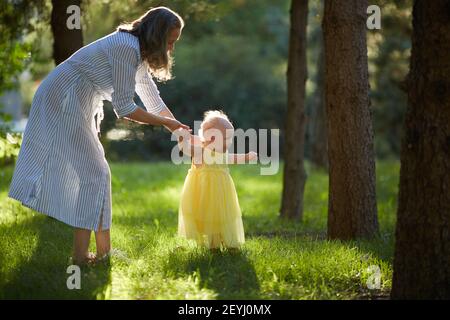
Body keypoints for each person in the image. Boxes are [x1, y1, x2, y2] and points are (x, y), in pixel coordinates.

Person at [8, 7, 189, 265]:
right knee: (94, 173)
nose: (170, 49)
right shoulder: (126, 47)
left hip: (77, 97)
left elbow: (150, 97)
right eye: (169, 42)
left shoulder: (135, 51)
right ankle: (80, 257)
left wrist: (178, 130)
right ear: (157, 36)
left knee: (98, 172)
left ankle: (104, 253)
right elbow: (125, 108)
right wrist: (166, 123)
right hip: (64, 96)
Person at [174, 110, 258, 250]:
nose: (229, 142)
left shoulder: (222, 153)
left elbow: (232, 158)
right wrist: (182, 139)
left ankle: (229, 242)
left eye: (230, 139)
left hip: (221, 193)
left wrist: (247, 156)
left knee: (222, 217)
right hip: (204, 192)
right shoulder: (200, 151)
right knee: (209, 217)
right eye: (226, 139)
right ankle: (213, 245)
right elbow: (186, 149)